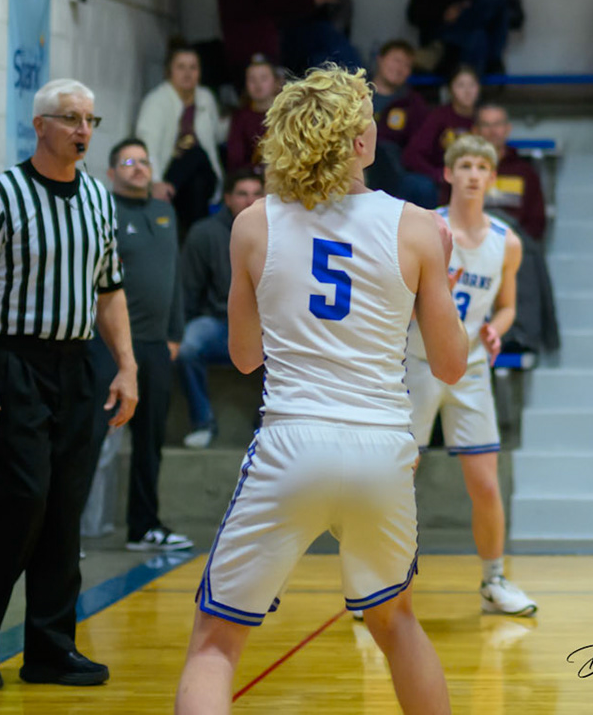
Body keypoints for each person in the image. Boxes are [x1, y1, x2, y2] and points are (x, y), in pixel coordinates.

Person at [173, 67, 464, 715]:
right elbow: (449, 364)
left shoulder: (254, 224)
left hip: (293, 443)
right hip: (382, 447)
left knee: (214, 644)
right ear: (359, 142)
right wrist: (440, 278)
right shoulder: (417, 225)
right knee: (397, 624)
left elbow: (245, 357)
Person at [0, 79, 137, 691]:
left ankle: (51, 649)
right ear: (41, 125)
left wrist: (127, 365)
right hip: (13, 363)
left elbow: (109, 290)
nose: (83, 130)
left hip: (78, 364)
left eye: (90, 120)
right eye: (71, 118)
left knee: (64, 507)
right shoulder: (0, 195)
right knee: (21, 502)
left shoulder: (99, 198)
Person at [404, 135, 536, 616]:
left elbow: (507, 307)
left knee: (485, 482)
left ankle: (493, 580)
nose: (474, 174)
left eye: (482, 166)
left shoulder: (508, 242)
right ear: (448, 173)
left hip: (471, 367)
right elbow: (398, 298)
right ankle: (378, 586)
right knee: (394, 479)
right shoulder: (425, 228)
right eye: (465, 166)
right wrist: (431, 301)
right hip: (417, 362)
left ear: (492, 177)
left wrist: (496, 330)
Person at [99, 139, 190, 552]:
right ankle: (64, 532)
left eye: (144, 161)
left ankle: (144, 526)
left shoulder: (164, 211)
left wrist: (175, 333)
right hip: (110, 346)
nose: (138, 168)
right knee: (89, 437)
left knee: (150, 441)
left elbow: (174, 276)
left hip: (155, 346)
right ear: (111, 173)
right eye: (128, 162)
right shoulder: (103, 212)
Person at [176, 169, 267, 449]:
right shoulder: (205, 233)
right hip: (217, 323)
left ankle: (265, 425)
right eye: (242, 194)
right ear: (227, 198)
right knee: (188, 345)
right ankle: (203, 423)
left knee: (291, 347)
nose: (250, 201)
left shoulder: (279, 232)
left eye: (257, 194)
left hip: (264, 326)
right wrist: (178, 331)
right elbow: (188, 288)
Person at [135, 46, 224, 233]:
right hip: (167, 173)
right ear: (169, 71)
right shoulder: (156, 101)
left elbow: (218, 135)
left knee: (198, 157)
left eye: (193, 67)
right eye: (181, 67)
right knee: (197, 182)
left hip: (201, 172)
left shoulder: (206, 98)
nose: (187, 73)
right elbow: (147, 145)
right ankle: (195, 238)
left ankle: (172, 194)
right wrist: (155, 181)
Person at [366, 40, 436, 209]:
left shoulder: (413, 103)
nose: (400, 68)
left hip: (397, 170)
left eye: (407, 65)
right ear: (380, 59)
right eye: (396, 60)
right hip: (355, 161)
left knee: (423, 186)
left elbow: (420, 145)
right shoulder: (355, 93)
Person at [472, 102, 545, 243]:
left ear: (508, 128)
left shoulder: (525, 172)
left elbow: (537, 223)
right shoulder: (464, 170)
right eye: (486, 125)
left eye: (497, 124)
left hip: (515, 244)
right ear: (475, 130)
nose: (492, 131)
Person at [402, 66, 481, 191]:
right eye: (460, 85)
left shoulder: (485, 117)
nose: (467, 91)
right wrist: (438, 175)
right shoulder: (439, 116)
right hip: (443, 182)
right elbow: (412, 154)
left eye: (472, 85)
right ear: (450, 90)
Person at [224, 57, 280, 175]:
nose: (258, 84)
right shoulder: (240, 117)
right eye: (252, 79)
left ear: (275, 83)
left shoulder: (286, 114)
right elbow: (235, 159)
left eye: (263, 78)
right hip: (251, 177)